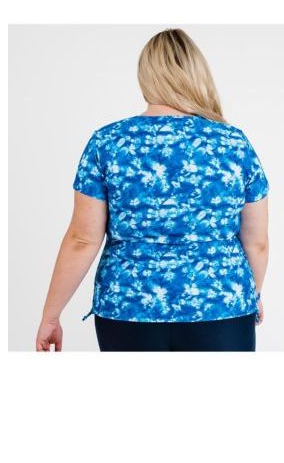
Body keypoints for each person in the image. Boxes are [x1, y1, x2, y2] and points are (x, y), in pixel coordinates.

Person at [36, 28, 269, 352]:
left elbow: (82, 240)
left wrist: (51, 315)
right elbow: (257, 243)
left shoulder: (108, 143)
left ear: (146, 76)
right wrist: (249, 293)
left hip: (128, 308)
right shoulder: (234, 144)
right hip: (223, 307)